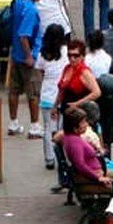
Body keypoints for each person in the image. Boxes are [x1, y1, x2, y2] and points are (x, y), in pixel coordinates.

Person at [7, 0, 45, 136]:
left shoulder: (19, 1)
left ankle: (13, 123)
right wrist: (29, 56)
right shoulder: (31, 10)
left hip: (15, 54)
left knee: (14, 90)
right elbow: (24, 35)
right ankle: (35, 126)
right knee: (34, 93)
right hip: (28, 57)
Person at [59, 108, 113, 192]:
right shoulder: (75, 142)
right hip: (90, 178)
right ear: (75, 126)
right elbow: (80, 164)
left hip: (95, 173)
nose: (86, 124)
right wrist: (98, 178)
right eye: (83, 122)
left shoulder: (72, 137)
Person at [36, 24, 68, 160]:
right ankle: (62, 155)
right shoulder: (67, 51)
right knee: (63, 127)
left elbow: (41, 71)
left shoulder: (42, 54)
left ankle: (49, 158)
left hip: (47, 95)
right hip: (63, 94)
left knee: (48, 127)